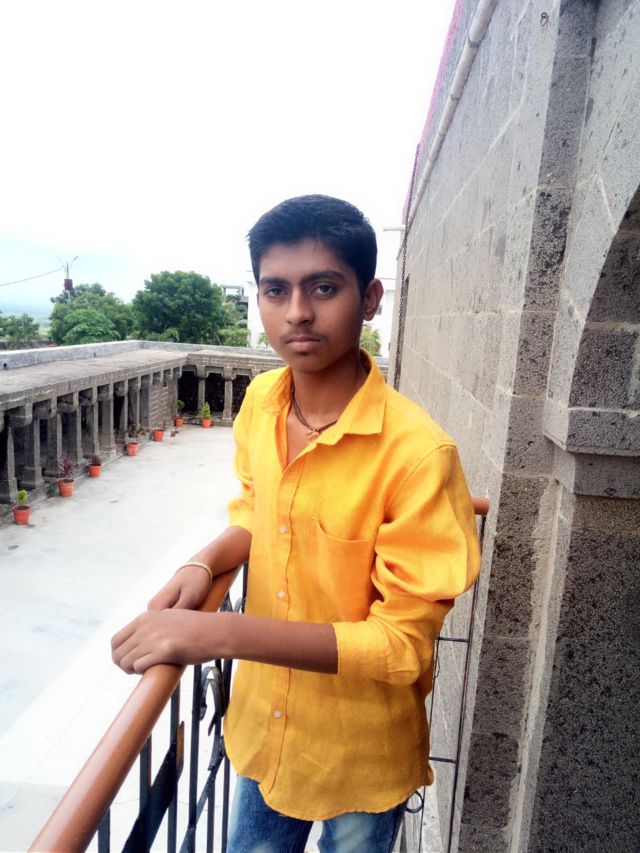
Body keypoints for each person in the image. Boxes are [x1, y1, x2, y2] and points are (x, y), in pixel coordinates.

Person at [112, 194, 481, 852]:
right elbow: (257, 509)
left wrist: (217, 632)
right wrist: (203, 563)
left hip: (359, 750)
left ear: (370, 299)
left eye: (324, 288)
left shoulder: (419, 456)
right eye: (275, 290)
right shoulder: (262, 400)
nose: (297, 312)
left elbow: (401, 644)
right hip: (263, 729)